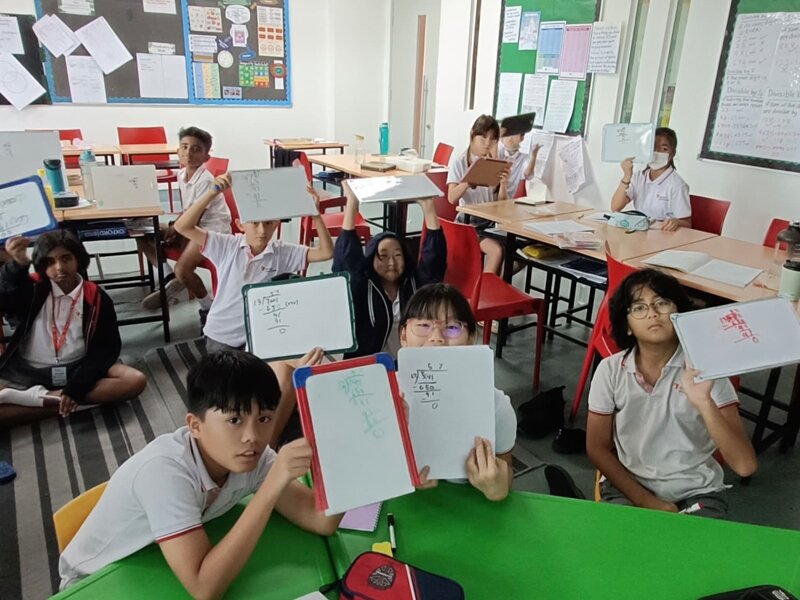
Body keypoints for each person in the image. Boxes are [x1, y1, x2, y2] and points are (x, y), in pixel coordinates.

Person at [58, 350, 342, 595]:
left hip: (156, 563)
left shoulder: (251, 457)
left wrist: (346, 457)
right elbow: (205, 588)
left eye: (265, 418)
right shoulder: (165, 473)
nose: (252, 437)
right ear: (195, 425)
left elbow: (321, 521)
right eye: (234, 420)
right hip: (97, 581)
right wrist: (270, 488)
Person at [174, 172, 332, 444]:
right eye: (254, 223)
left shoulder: (282, 251)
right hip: (220, 339)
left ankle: (269, 442)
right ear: (240, 224)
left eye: (268, 223)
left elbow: (326, 253)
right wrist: (213, 192)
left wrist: (314, 213)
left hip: (259, 342)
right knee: (228, 406)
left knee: (282, 375)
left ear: (277, 224)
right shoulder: (227, 245)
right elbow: (182, 226)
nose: (261, 230)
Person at [586, 269, 757, 518]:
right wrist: (646, 501)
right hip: (630, 487)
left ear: (681, 316)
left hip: (697, 491)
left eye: (663, 303)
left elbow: (745, 465)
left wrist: (703, 401)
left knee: (690, 552)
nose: (653, 313)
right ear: (628, 326)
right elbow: (597, 448)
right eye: (639, 307)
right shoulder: (611, 370)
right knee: (625, 550)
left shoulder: (705, 371)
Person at [0, 232, 146, 428]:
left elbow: (106, 349)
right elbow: (6, 298)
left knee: (134, 380)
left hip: (77, 367)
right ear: (42, 265)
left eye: (66, 258)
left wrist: (76, 387)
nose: (59, 267)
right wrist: (17, 265)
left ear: (78, 259)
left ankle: (42, 400)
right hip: (27, 371)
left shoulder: (95, 296)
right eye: (50, 261)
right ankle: (62, 403)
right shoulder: (33, 288)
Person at [398, 283, 516, 501]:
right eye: (423, 325)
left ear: (471, 338)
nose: (437, 337)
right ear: (403, 336)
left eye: (452, 328)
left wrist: (498, 489)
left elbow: (505, 471)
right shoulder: (384, 398)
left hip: (470, 512)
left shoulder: (496, 407)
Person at [332, 182, 446, 359]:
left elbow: (434, 260)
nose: (391, 262)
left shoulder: (415, 284)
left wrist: (428, 207)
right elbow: (346, 259)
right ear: (371, 259)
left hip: (411, 363)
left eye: (398, 255)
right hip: (370, 366)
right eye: (383, 256)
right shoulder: (362, 287)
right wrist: (352, 203)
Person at [140, 126, 231, 312]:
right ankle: (168, 278)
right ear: (177, 151)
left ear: (206, 157)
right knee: (142, 232)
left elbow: (195, 219)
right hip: (191, 224)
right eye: (185, 147)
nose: (189, 152)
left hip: (212, 231)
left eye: (196, 149)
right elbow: (188, 212)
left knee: (183, 269)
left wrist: (173, 232)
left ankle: (207, 306)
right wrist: (173, 229)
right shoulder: (182, 175)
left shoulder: (205, 180)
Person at [446, 115, 510, 275]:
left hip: (490, 223)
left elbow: (501, 204)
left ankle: (492, 282)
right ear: (473, 135)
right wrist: (468, 181)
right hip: (469, 224)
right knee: (496, 251)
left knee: (518, 249)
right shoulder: (460, 162)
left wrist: (503, 185)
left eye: (492, 139)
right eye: (483, 137)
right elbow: (451, 198)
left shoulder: (495, 162)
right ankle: (484, 294)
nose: (487, 143)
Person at [610, 127, 691, 231]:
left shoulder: (677, 185)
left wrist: (676, 222)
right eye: (653, 148)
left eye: (664, 149)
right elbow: (615, 207)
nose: (657, 152)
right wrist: (626, 176)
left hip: (663, 235)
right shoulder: (639, 176)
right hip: (639, 231)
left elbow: (688, 223)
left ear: (672, 154)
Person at [497, 113, 542, 198]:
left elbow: (527, 173)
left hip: (510, 199)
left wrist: (534, 155)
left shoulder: (523, 158)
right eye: (507, 135)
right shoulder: (499, 153)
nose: (510, 138)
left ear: (522, 138)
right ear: (501, 138)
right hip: (493, 197)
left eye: (514, 134)